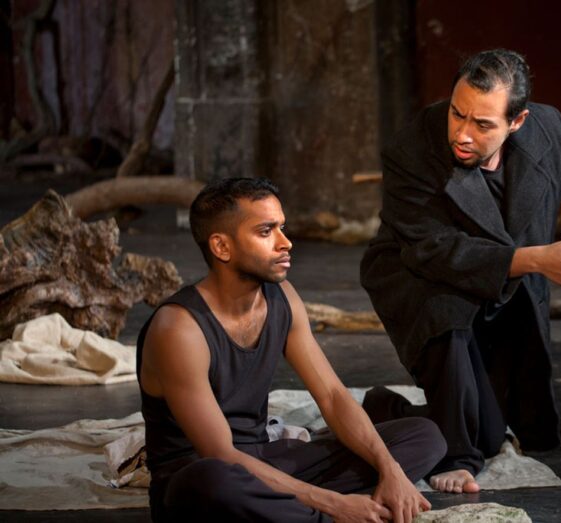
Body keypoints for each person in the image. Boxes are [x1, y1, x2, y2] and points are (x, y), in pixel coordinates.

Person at [359, 49, 561, 494]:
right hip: (419, 277)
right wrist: (536, 258)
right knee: (447, 318)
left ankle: (388, 409)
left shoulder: (545, 130)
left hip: (501, 285)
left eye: (483, 124)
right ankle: (456, 455)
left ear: (517, 122)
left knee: (496, 432)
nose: (462, 132)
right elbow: (432, 250)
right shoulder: (414, 147)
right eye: (458, 114)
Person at [137, 177, 446, 522]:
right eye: (266, 231)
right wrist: (334, 503)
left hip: (264, 458)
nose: (286, 243)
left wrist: (391, 470)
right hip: (202, 479)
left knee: (424, 436)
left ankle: (295, 511)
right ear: (221, 247)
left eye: (282, 228)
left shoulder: (282, 298)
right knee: (214, 482)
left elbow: (331, 396)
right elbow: (220, 453)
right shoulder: (178, 328)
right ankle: (327, 515)